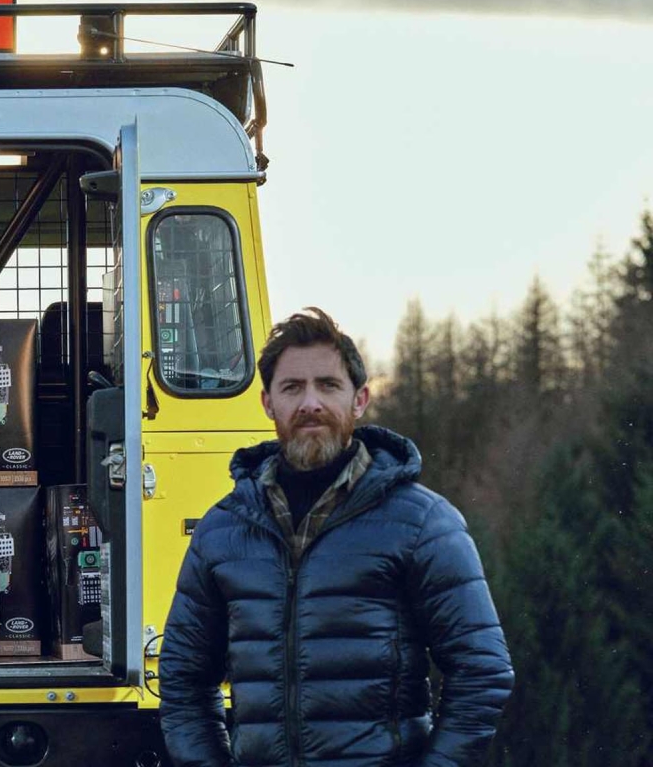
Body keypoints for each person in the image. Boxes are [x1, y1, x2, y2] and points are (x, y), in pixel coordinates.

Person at [158, 308, 513, 767]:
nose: (311, 403)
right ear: (267, 403)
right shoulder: (222, 532)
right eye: (292, 387)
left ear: (359, 399)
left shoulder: (423, 524)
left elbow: (482, 671)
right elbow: (183, 679)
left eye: (327, 385)